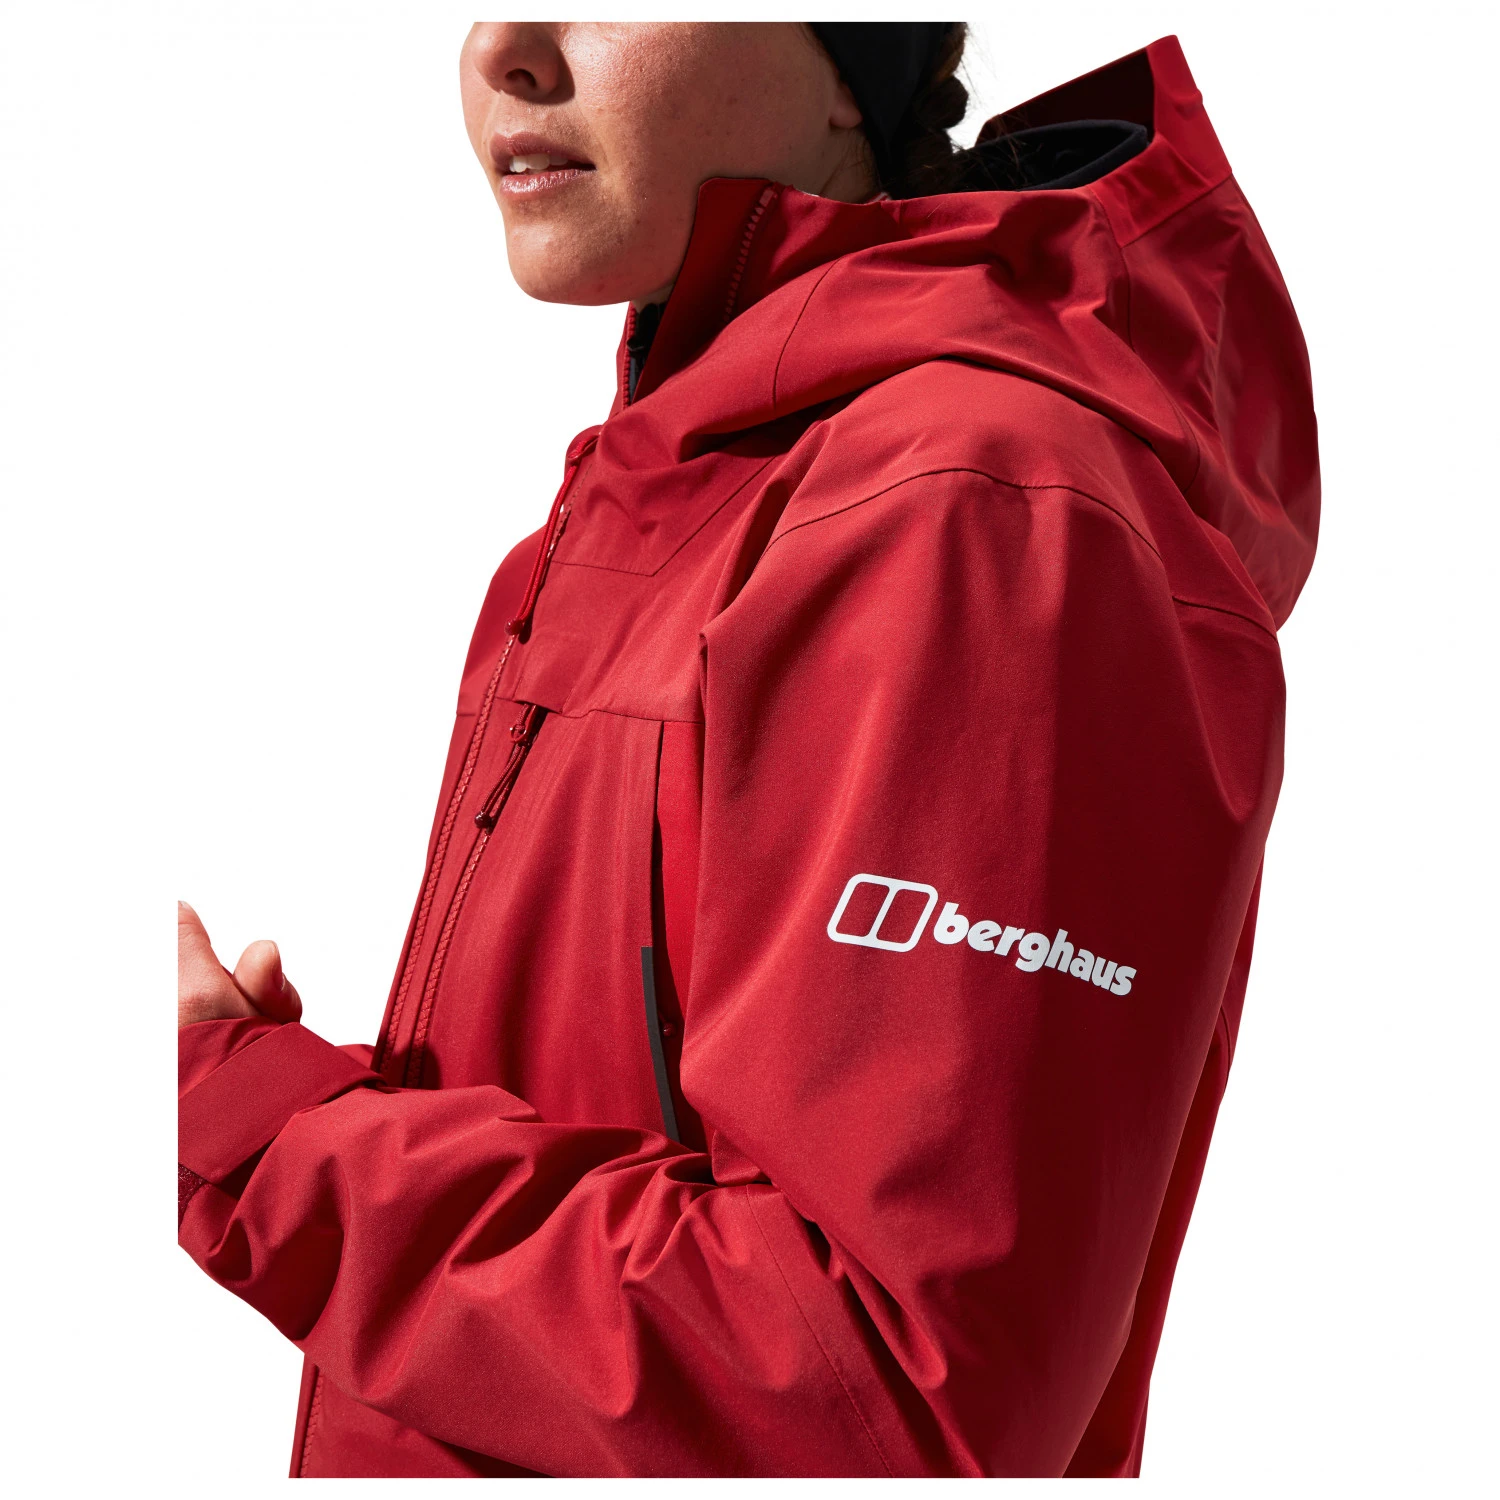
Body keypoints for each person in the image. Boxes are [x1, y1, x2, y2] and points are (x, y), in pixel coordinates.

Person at [177, 21, 1319, 1478]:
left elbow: (876, 1397)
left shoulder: (967, 511)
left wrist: (254, 1127)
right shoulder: (656, 505)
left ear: (852, 63)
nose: (505, 48)